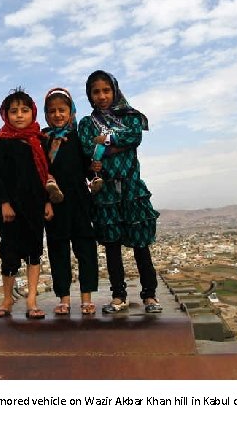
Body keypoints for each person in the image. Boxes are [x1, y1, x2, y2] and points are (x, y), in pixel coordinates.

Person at [77, 70, 162, 314]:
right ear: (90, 95)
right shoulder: (86, 123)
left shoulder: (131, 117)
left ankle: (149, 295)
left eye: (106, 90)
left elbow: (133, 136)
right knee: (112, 245)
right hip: (105, 192)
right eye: (96, 92)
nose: (102, 96)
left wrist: (103, 140)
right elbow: (86, 144)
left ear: (114, 91)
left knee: (140, 243)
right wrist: (113, 142)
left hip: (131, 188)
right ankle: (118, 295)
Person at [0, 87, 53, 319]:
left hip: (35, 205)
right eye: (13, 111)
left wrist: (47, 202)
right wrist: (3, 202)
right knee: (10, 253)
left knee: (34, 252)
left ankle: (31, 300)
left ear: (33, 113)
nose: (19, 115)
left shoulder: (39, 140)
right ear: (5, 114)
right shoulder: (0, 142)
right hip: (11, 209)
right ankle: (7, 299)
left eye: (24, 110)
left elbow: (45, 174)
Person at [42, 88, 99, 316]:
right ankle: (64, 298)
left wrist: (95, 171)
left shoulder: (79, 138)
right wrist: (45, 202)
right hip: (55, 203)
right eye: (52, 111)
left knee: (85, 248)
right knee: (58, 250)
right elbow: (39, 172)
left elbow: (88, 168)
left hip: (80, 201)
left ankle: (86, 297)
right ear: (46, 114)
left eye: (62, 110)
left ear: (71, 111)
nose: (57, 115)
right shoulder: (43, 140)